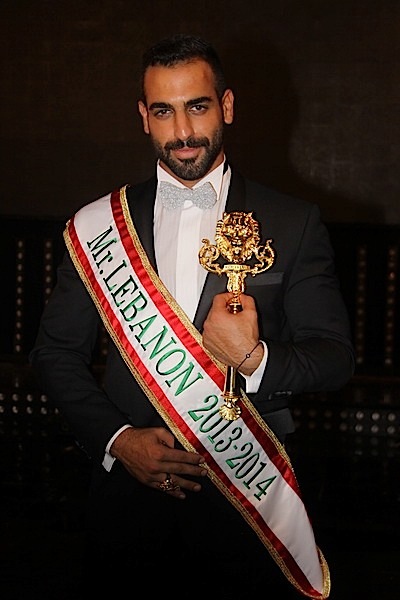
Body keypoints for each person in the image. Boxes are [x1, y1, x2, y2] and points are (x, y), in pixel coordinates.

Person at [30, 33, 354, 598]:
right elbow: (54, 355)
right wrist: (117, 439)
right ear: (143, 117)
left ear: (226, 106)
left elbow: (335, 358)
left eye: (197, 107)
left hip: (247, 498)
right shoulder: (97, 226)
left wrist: (254, 359)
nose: (182, 132)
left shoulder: (293, 221)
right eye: (164, 112)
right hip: (127, 502)